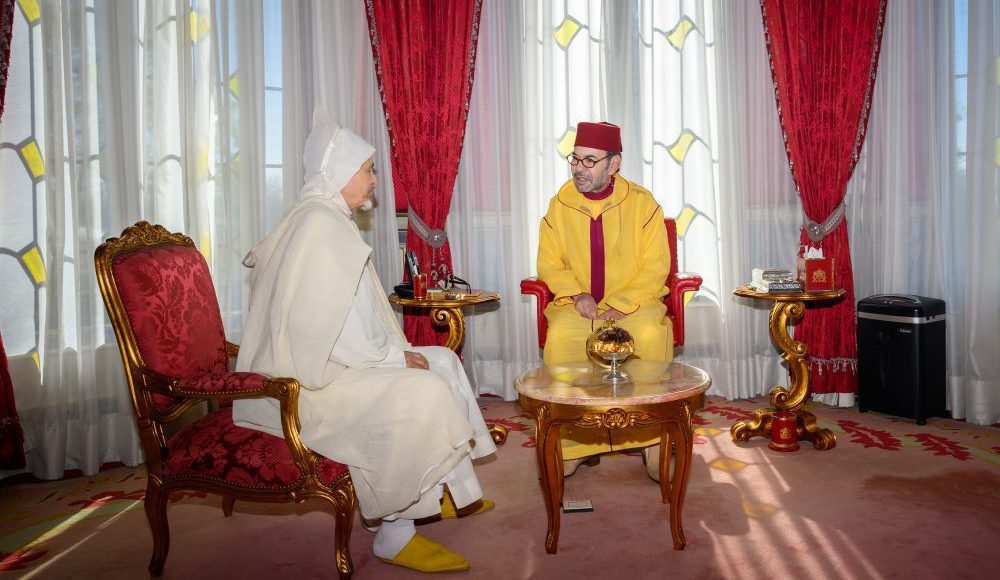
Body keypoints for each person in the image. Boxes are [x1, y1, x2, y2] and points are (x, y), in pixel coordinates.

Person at [232, 109, 496, 574]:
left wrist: (398, 355)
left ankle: (440, 489)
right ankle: (396, 532)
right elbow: (338, 330)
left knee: (444, 361)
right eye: (369, 169)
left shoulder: (326, 218)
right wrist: (395, 358)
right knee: (421, 390)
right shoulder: (320, 226)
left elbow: (347, 322)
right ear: (340, 171)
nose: (375, 179)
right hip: (308, 388)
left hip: (335, 364)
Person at [536, 121, 671, 477]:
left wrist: (623, 303)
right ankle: (575, 445)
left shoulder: (643, 204)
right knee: (562, 339)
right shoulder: (559, 205)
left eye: (589, 161)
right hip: (578, 304)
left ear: (614, 164)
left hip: (635, 302)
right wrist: (576, 292)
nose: (578, 169)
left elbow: (657, 265)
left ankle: (651, 439)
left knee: (651, 336)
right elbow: (549, 262)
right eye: (575, 159)